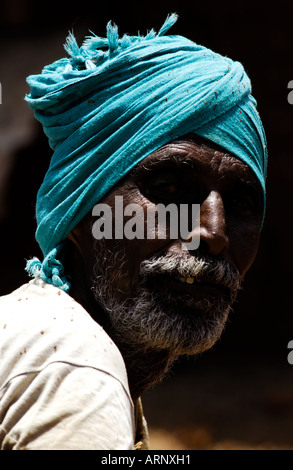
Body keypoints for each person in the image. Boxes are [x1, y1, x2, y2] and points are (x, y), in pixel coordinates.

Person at [0, 14, 267, 450]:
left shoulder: (39, 338)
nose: (214, 232)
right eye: (168, 189)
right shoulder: (75, 369)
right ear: (80, 205)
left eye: (241, 204)